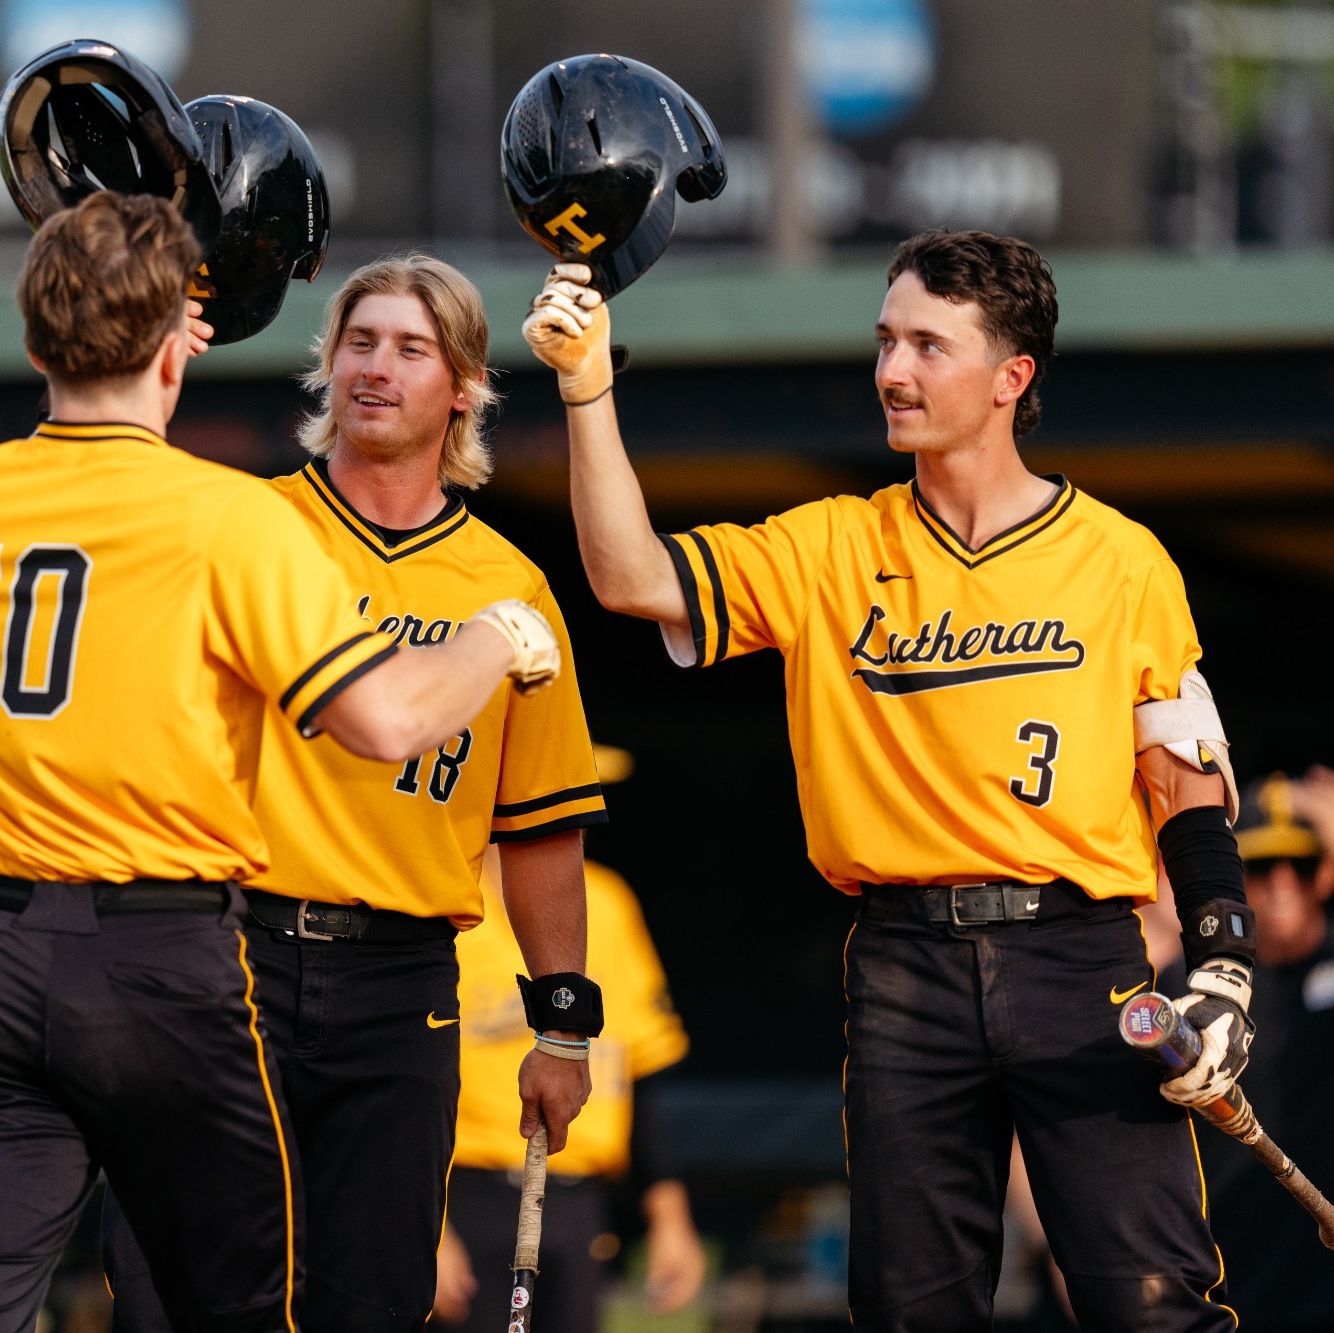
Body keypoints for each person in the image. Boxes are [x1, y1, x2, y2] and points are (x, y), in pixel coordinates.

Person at [535, 229, 1252, 1330]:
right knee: (910, 1311)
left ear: (1010, 377)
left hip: (1082, 958)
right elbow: (628, 577)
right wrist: (586, 390)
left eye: (926, 344)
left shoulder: (1119, 557)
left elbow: (1181, 774)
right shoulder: (825, 544)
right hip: (902, 961)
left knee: (1148, 1301)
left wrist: (1220, 959)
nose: (890, 370)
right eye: (883, 340)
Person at [0, 192, 562, 1332]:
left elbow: (73, 461)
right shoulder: (232, 516)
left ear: (32, 343)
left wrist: (137, 329)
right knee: (235, 1305)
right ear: (174, 352)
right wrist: (493, 635)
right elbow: (392, 720)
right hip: (166, 952)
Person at [102, 254, 601, 1330]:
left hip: (401, 982)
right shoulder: (238, 527)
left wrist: (561, 1025)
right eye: (358, 343)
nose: (375, 368)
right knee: (175, 1291)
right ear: (326, 367)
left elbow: (541, 829)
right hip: (223, 956)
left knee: (369, 1301)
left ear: (462, 386)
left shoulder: (511, 589)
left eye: (411, 349)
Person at [435, 747, 703, 1332]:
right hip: (465, 1195)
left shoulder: (607, 903)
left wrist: (670, 1218)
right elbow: (397, 1081)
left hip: (579, 1200)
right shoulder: (445, 896)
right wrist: (422, 1223)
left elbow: (640, 1068)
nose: (571, 813)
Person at [1194, 772, 1334, 1330]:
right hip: (1226, 1281)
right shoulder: (1195, 988)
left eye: (1298, 864)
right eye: (1258, 866)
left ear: (1323, 872)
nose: (1280, 883)